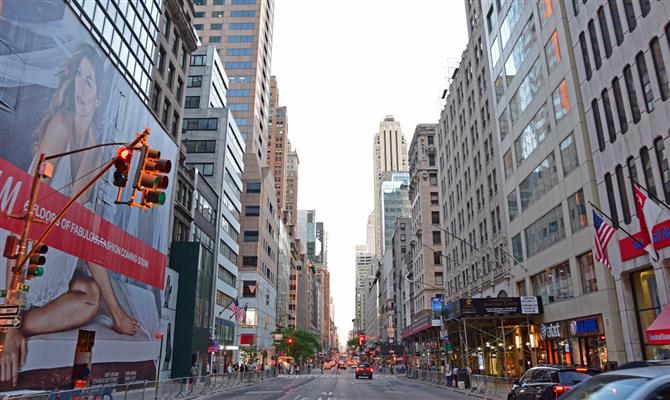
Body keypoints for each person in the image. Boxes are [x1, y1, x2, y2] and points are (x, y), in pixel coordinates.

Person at [0, 44, 140, 387]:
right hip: (24, 256)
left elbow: (83, 234)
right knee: (97, 299)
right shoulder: (61, 127)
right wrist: (10, 321)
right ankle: (7, 321)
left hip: (55, 261)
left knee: (92, 296)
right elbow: (25, 216)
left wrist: (115, 309)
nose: (81, 87)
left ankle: (19, 320)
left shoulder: (92, 146)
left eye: (89, 82)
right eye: (79, 77)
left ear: (98, 99)